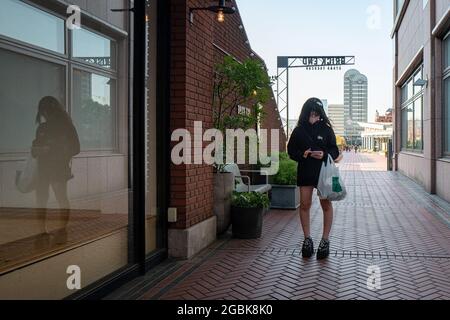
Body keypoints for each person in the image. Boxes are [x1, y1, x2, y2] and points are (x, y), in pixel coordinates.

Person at [287, 98, 342, 260]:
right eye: (311, 114)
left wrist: (324, 154)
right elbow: (291, 151)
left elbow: (335, 151)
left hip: (324, 172)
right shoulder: (298, 130)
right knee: (304, 204)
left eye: (316, 115)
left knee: (326, 204)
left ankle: (325, 240)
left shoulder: (326, 130)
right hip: (305, 171)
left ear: (320, 114)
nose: (314, 118)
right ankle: (307, 239)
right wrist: (302, 155)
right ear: (305, 114)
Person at [32, 96, 80, 243]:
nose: (44, 114)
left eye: (45, 111)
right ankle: (43, 231)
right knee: (43, 199)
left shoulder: (66, 126)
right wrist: (37, 150)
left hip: (58, 168)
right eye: (43, 111)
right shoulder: (43, 128)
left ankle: (61, 230)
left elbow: (75, 148)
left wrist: (52, 150)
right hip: (44, 169)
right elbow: (34, 149)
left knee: (60, 198)